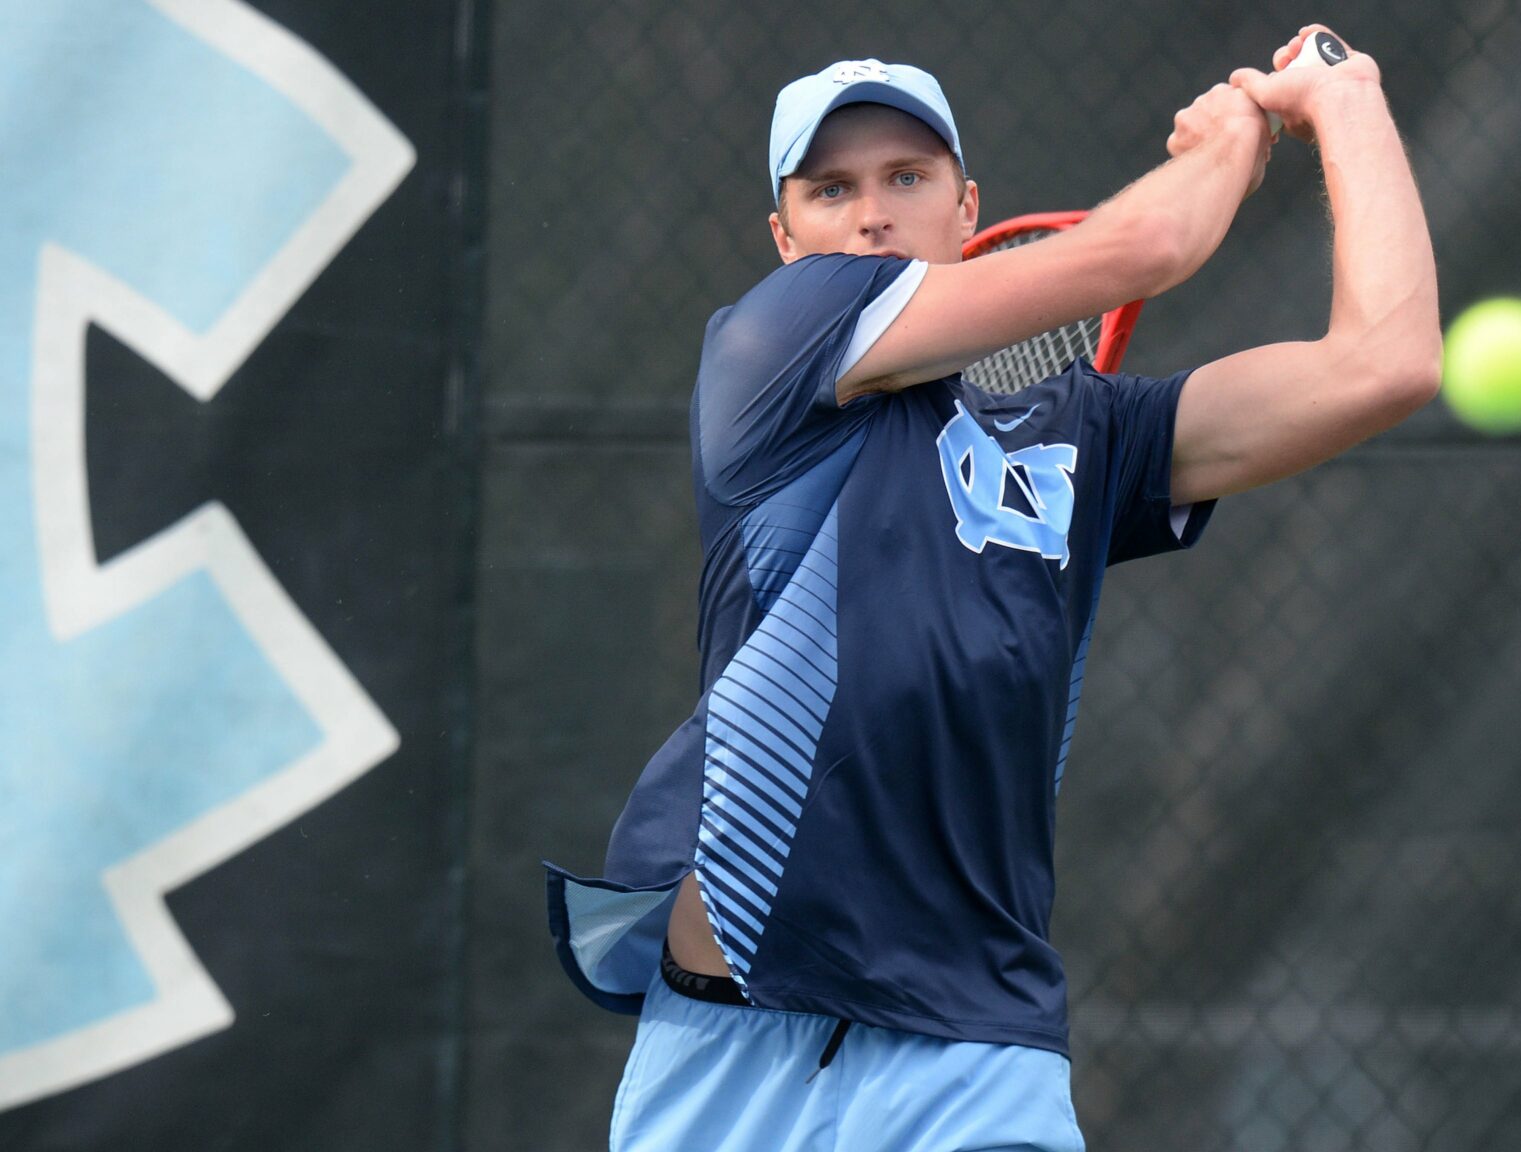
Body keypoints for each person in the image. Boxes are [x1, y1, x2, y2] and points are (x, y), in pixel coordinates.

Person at [544, 25, 1439, 1152]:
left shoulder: (1086, 437)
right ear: (786, 240)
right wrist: (1231, 141)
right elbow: (1149, 241)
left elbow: (1385, 364)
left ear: (968, 211)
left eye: (906, 179)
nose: (871, 213)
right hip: (736, 1051)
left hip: (975, 1050)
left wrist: (1346, 103)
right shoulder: (767, 347)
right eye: (831, 189)